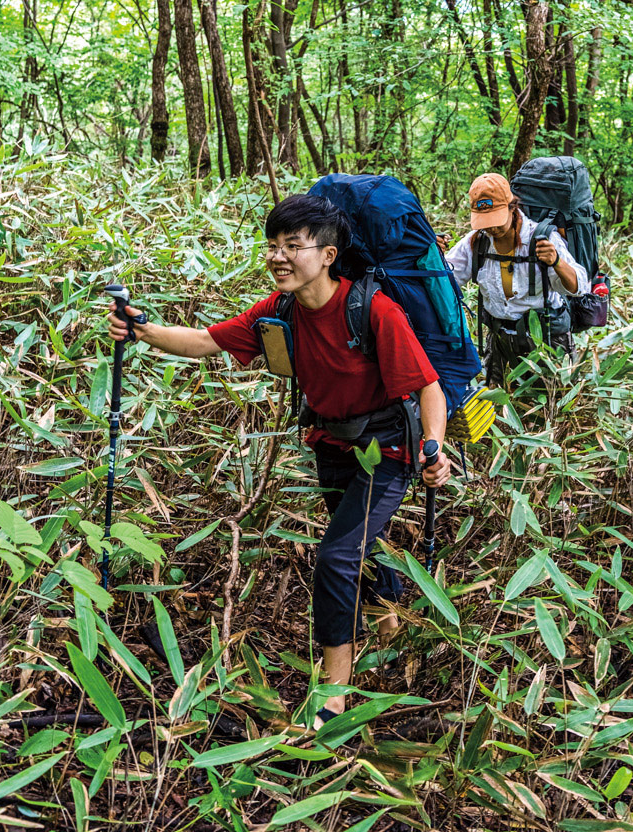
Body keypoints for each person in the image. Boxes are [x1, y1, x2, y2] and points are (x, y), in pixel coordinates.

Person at [106, 193, 450, 730]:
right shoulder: (280, 310)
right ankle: (389, 618)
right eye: (273, 245)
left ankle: (334, 690)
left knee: (336, 557)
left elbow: (428, 387)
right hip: (333, 445)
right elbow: (204, 341)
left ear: (329, 255)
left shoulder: (373, 309)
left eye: (294, 245)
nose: (279, 256)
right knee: (360, 539)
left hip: (387, 451)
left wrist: (434, 445)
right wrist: (143, 330)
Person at [445, 172, 589, 384]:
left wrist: (556, 261)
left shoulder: (541, 237)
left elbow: (579, 287)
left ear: (512, 208)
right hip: (500, 340)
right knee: (500, 404)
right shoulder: (477, 243)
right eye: (485, 222)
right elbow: (447, 279)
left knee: (550, 403)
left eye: (496, 220)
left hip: (545, 340)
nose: (492, 228)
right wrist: (432, 254)